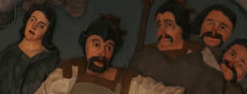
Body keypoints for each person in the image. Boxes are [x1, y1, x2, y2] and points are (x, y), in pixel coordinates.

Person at [34, 15, 182, 94]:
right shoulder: (70, 70)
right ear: (85, 45)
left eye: (109, 47)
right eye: (96, 44)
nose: (102, 53)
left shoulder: (127, 80)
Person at [129, 0, 222, 94]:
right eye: (159, 25)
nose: (162, 31)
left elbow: (215, 81)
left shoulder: (199, 50)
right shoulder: (145, 55)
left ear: (181, 27)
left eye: (169, 24)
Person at [0, 4, 62, 94]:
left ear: (47, 32)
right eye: (32, 20)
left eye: (41, 26)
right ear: (26, 21)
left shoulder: (51, 62)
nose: (34, 26)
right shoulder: (7, 53)